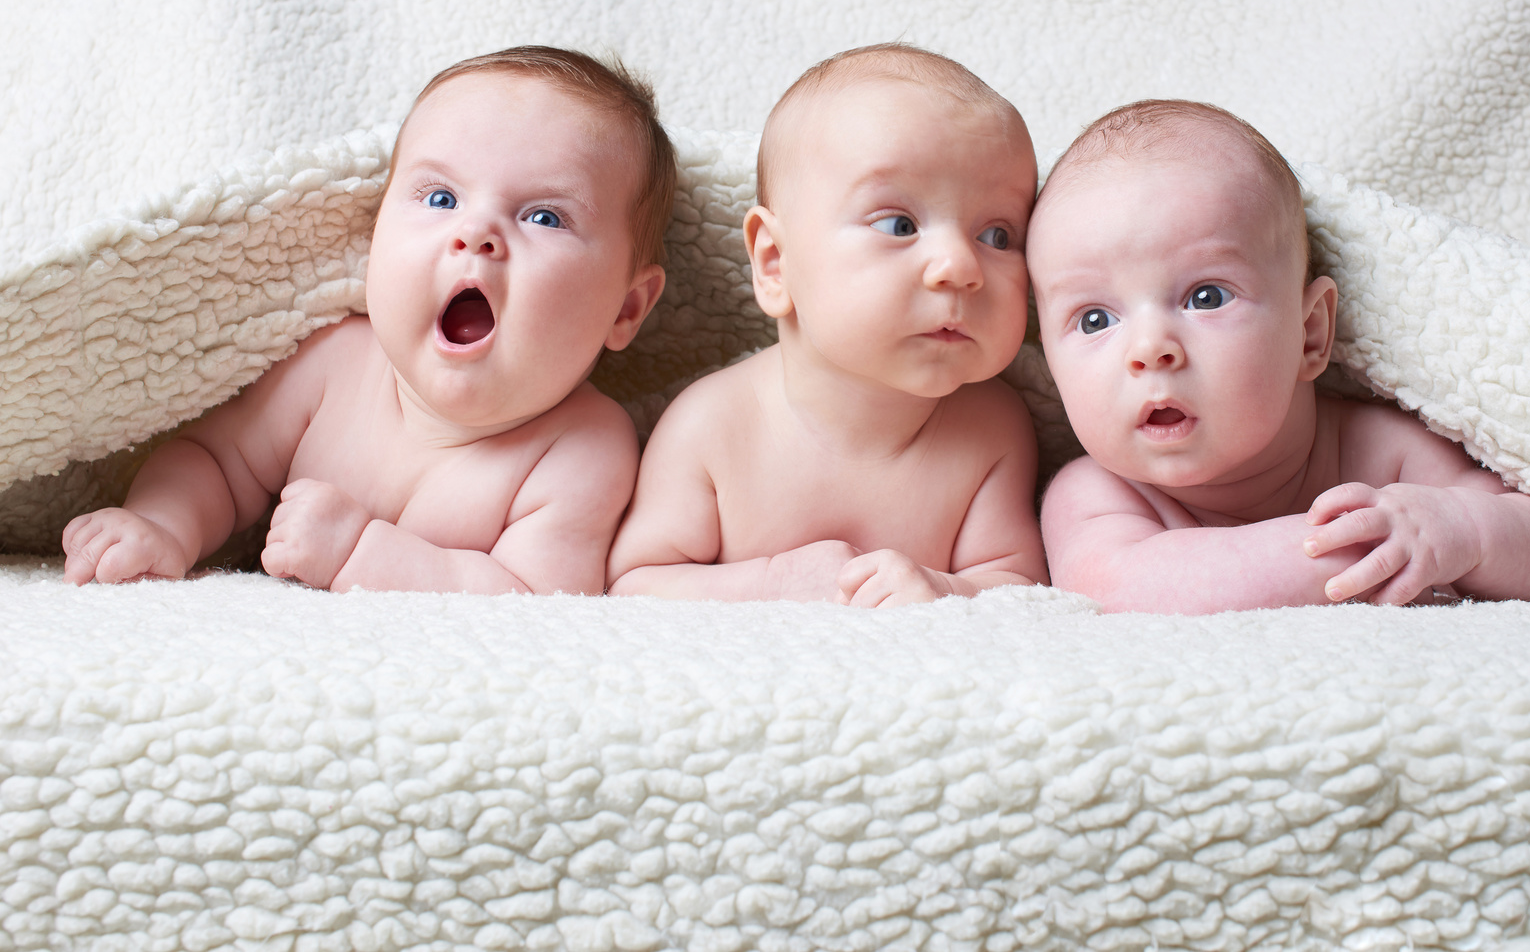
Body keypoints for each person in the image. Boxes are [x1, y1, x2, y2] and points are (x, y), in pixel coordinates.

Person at [62, 46, 672, 594]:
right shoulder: (331, 366)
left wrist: (363, 554)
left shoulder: (583, 449)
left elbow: (537, 598)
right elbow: (215, 462)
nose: (476, 233)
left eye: (543, 217)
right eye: (441, 199)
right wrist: (163, 525)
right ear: (373, 236)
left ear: (626, 308)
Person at [1029, 99, 1530, 613]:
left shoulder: (1379, 451)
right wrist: (1365, 548)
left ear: (1311, 332)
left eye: (1206, 297)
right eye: (1094, 319)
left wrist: (1461, 530)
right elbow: (1125, 586)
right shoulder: (1094, 493)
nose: (1150, 350)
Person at [607, 44, 1047, 606]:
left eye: (998, 236)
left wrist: (942, 590)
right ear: (774, 262)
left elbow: (1018, 589)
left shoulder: (993, 429)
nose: (961, 267)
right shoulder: (711, 428)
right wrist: (770, 583)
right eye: (899, 223)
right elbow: (633, 585)